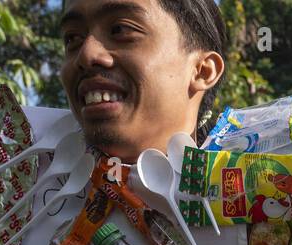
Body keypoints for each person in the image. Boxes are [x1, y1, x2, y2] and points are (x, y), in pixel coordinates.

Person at [59, 0, 227, 161]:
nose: (86, 54)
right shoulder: (37, 184)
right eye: (72, 39)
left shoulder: (248, 186)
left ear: (202, 71)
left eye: (120, 29)